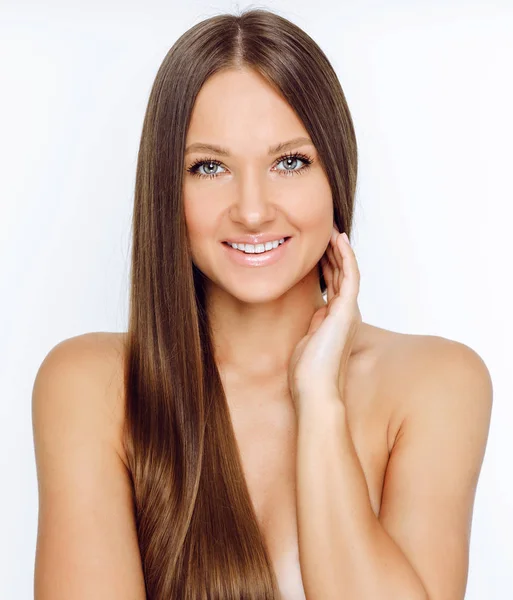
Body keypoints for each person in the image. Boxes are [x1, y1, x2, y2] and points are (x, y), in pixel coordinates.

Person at [31, 8, 493, 600]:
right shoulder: (93, 386)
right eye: (210, 167)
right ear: (167, 190)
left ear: (337, 173)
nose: (252, 210)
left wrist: (320, 401)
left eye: (289, 162)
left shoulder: (438, 384)